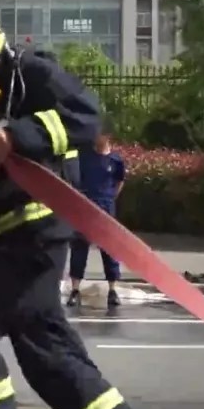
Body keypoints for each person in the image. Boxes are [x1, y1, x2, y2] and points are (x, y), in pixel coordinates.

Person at [0, 2, 134, 409]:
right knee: (48, 356)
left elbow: (86, 118)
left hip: (38, 234)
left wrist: (17, 136)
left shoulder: (35, 74)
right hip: (7, 236)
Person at [67, 131, 125, 308]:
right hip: (86, 208)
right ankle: (75, 290)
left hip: (106, 208)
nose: (98, 138)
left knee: (109, 249)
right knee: (79, 247)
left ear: (108, 137)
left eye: (102, 135)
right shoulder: (85, 157)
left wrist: (111, 197)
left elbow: (120, 180)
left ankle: (112, 290)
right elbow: (75, 179)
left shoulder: (116, 160)